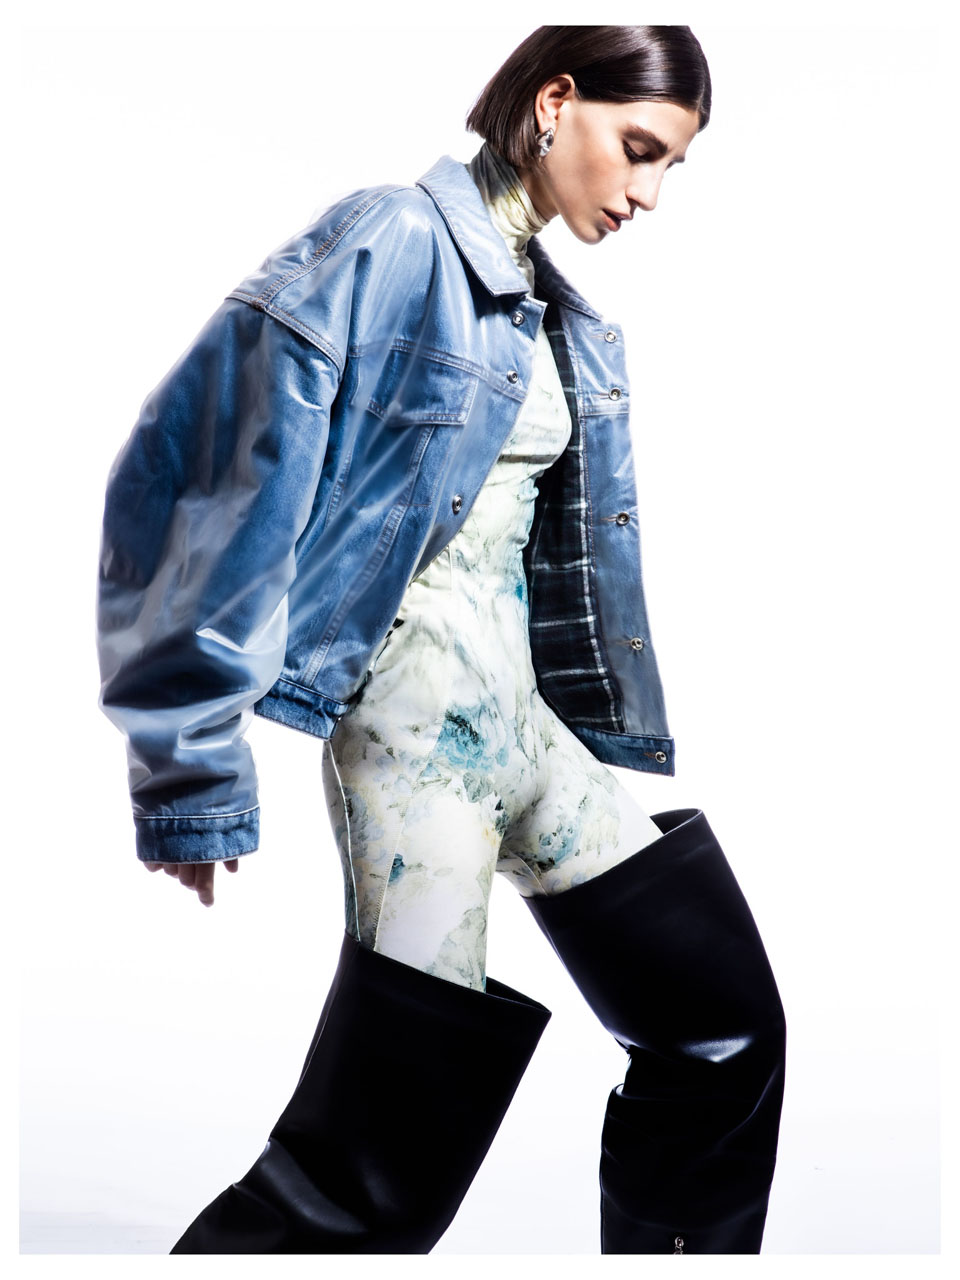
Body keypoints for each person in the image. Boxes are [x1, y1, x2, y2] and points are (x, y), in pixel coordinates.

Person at [96, 25, 787, 1255]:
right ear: (554, 100)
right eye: (639, 150)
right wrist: (189, 772)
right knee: (374, 1177)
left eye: (672, 167)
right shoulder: (390, 237)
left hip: (528, 737)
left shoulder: (552, 310)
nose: (649, 194)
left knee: (721, 1030)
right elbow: (195, 480)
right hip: (415, 752)